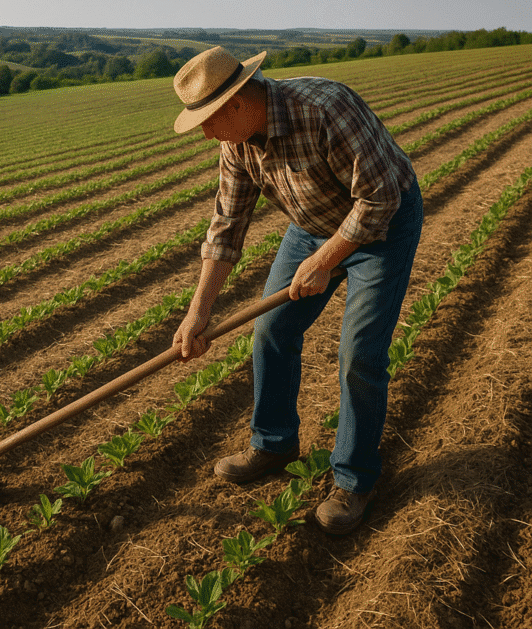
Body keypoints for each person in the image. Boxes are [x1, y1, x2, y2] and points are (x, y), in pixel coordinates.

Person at [171, 46, 422, 535]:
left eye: (207, 120)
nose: (204, 131)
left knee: (359, 354)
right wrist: (197, 312)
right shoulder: (238, 141)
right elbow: (226, 225)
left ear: (238, 103)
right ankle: (274, 443)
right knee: (270, 333)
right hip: (311, 226)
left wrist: (326, 261)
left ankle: (354, 479)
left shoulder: (326, 108)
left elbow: (380, 198)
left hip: (382, 227)